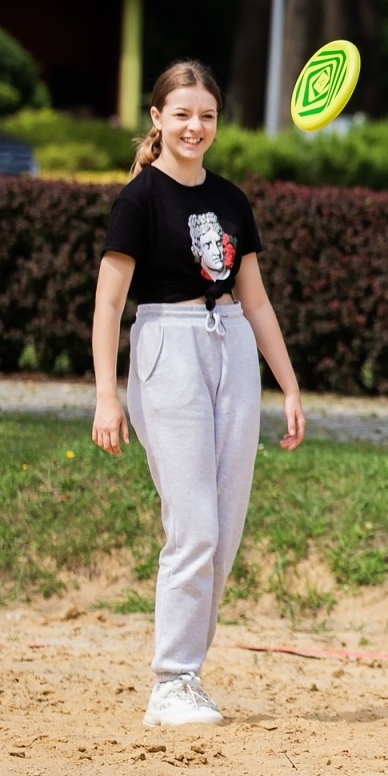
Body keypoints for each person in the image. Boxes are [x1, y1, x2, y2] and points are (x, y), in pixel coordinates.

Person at [90, 59, 306, 728]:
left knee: (226, 528)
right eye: (181, 114)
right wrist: (106, 395)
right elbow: (108, 305)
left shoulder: (233, 199)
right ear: (157, 119)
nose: (195, 126)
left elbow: (258, 301)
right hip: (168, 347)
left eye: (206, 115)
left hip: (232, 345)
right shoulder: (140, 200)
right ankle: (170, 683)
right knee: (194, 527)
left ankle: (189, 679)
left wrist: (289, 385)